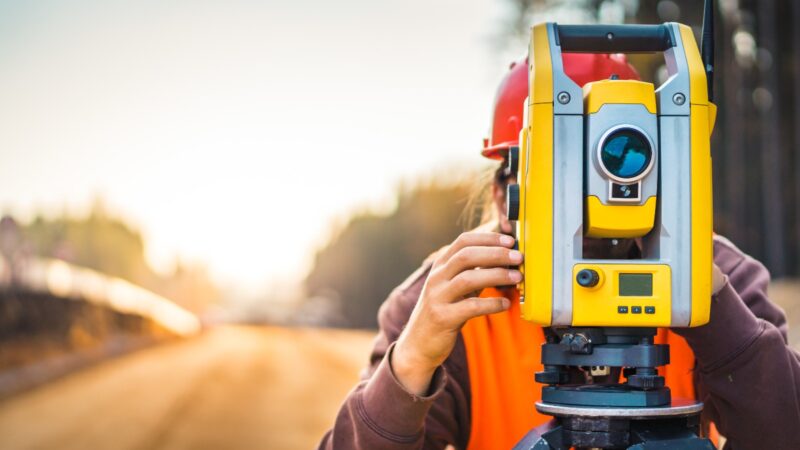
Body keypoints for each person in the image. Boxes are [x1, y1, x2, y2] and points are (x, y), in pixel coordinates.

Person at [318, 55, 800, 450]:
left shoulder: (717, 280)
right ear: (504, 191)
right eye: (558, 184)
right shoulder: (446, 297)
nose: (583, 217)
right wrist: (411, 363)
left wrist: (720, 318)